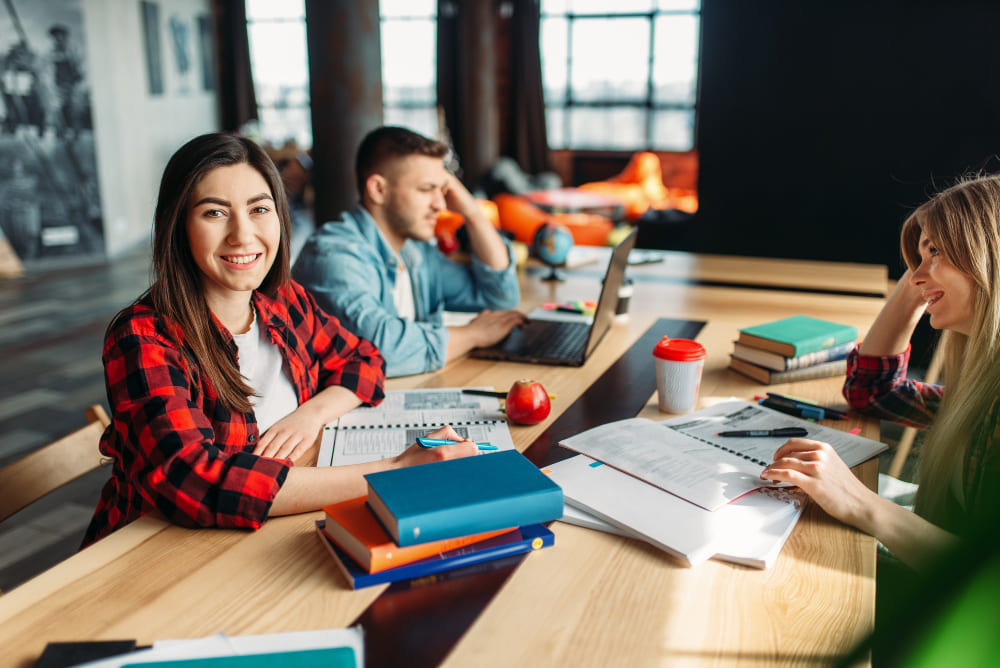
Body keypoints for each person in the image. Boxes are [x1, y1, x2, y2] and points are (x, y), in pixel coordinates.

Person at [83, 133, 475, 547]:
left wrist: (311, 414)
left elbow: (364, 359)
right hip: (153, 554)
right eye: (215, 213)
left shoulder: (281, 300)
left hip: (261, 535)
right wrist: (395, 471)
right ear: (177, 225)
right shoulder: (143, 337)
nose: (242, 235)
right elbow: (197, 482)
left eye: (259, 209)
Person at [761, 174, 1000, 573]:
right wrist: (923, 278)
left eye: (936, 252)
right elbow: (873, 392)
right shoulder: (982, 389)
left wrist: (861, 504)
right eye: (917, 260)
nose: (916, 273)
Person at [292, 126, 525, 377]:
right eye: (426, 189)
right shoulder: (333, 255)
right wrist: (473, 335)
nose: (440, 204)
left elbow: (499, 297)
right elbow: (380, 350)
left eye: (442, 190)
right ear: (378, 190)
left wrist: (472, 213)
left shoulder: (415, 251)